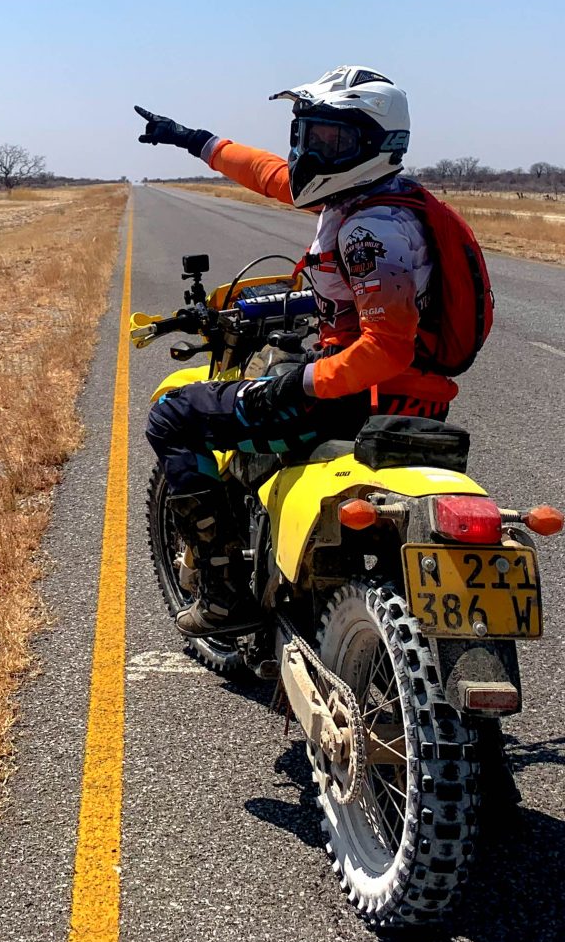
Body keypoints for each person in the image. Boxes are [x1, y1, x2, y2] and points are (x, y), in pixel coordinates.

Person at [135, 66, 471, 637]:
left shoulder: (370, 230)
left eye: (329, 139)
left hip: (349, 400)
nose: (309, 151)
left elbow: (385, 347)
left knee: (174, 417)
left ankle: (221, 594)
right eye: (307, 134)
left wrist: (302, 383)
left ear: (374, 143)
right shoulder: (381, 198)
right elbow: (268, 173)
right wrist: (192, 139)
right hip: (414, 399)